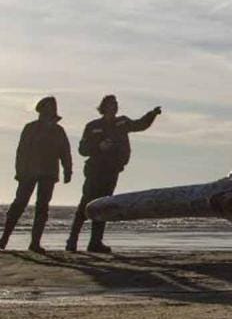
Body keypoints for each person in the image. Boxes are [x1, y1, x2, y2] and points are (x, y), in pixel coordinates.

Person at [66, 95, 161, 253]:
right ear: (104, 107)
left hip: (112, 170)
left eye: (116, 104)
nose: (114, 107)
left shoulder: (122, 122)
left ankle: (95, 242)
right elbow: (83, 149)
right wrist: (99, 146)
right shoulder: (93, 125)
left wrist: (152, 114)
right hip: (95, 169)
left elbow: (140, 125)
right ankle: (72, 240)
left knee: (103, 205)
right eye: (111, 104)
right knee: (86, 203)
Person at [0, 97, 73, 252]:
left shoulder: (59, 131)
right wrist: (19, 172)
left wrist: (68, 170)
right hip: (29, 173)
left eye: (52, 108)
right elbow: (21, 152)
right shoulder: (30, 128)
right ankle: (4, 239)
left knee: (42, 207)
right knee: (19, 204)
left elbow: (65, 151)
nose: (50, 111)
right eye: (47, 108)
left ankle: (35, 243)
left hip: (49, 173)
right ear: (41, 110)